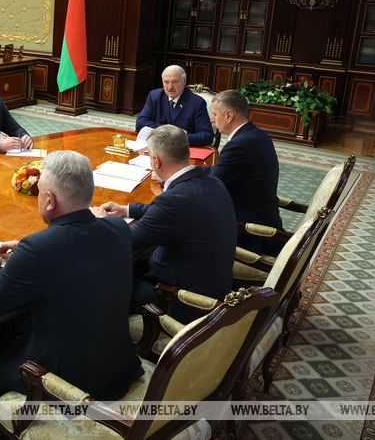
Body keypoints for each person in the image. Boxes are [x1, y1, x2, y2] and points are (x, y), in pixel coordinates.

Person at [0, 151, 142, 400]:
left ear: (49, 200)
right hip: (118, 366)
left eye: (41, 192)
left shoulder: (37, 248)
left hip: (69, 383)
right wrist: (24, 258)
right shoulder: (118, 228)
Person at [97, 125, 235, 322]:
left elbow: (125, 240)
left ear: (156, 160)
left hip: (182, 299)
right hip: (213, 283)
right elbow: (169, 213)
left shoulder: (173, 201)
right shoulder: (211, 181)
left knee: (105, 280)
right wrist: (127, 209)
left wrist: (103, 220)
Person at [208, 89, 283, 255]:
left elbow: (211, 184)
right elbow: (221, 171)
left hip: (248, 232)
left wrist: (174, 178)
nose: (212, 119)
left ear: (229, 115)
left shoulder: (239, 145)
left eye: (214, 114)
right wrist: (189, 170)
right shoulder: (256, 135)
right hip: (263, 216)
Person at [135, 65, 213, 147]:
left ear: (184, 81)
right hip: (157, 146)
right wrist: (168, 132)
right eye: (166, 82)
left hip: (182, 149)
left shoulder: (197, 102)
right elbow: (141, 122)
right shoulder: (155, 96)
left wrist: (179, 138)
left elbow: (207, 136)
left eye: (175, 82)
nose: (170, 87)